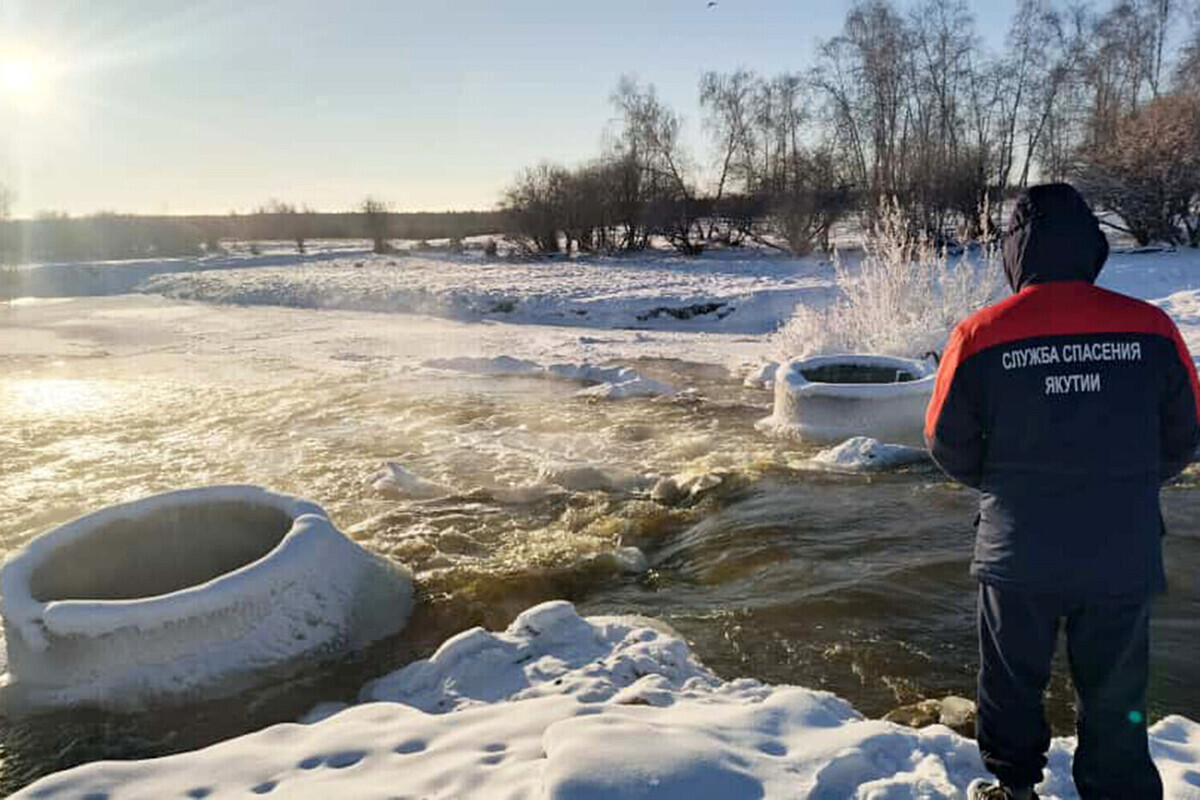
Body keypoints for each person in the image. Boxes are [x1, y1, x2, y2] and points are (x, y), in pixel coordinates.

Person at [924, 183, 1200, 800]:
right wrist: (1122, 482)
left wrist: (1006, 484)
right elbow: (1187, 436)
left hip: (1017, 550)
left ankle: (1016, 788)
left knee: (1012, 685)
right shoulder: (1150, 328)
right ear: (1092, 248)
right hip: (1121, 551)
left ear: (1014, 252)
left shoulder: (979, 333)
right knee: (1117, 692)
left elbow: (945, 441)